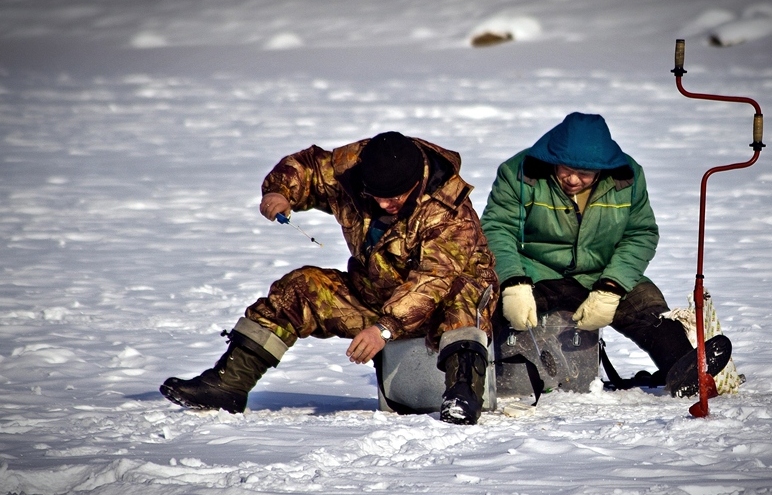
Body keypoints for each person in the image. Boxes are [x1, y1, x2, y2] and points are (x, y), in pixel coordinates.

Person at [160, 131, 498, 424]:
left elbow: (434, 279)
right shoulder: (352, 167)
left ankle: (462, 394)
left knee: (462, 297)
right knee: (300, 289)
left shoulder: (451, 212)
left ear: (416, 184)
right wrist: (280, 191)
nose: (385, 204)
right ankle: (227, 385)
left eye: (394, 198)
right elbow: (308, 167)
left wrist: (383, 328)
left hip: (443, 298)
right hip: (377, 292)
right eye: (376, 196)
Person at [480, 112, 731, 397]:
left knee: (648, 308)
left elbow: (640, 234)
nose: (573, 179)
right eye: (565, 169)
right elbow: (496, 229)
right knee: (492, 306)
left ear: (602, 168)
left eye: (584, 173)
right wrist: (513, 281)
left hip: (599, 273)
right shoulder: (519, 171)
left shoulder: (628, 177)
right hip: (535, 271)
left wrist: (612, 286)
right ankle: (468, 372)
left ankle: (685, 370)